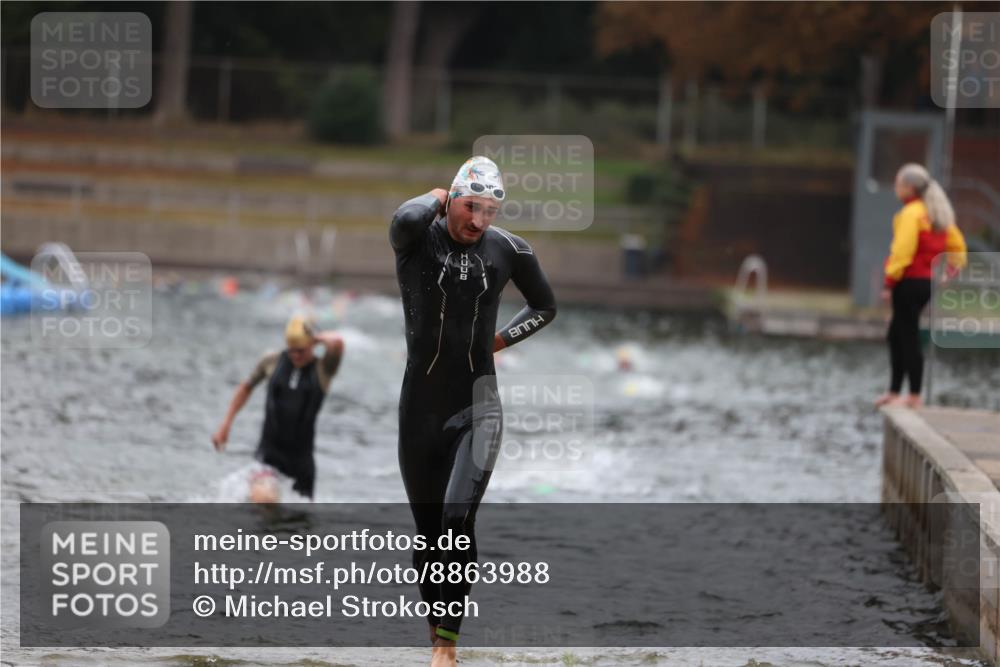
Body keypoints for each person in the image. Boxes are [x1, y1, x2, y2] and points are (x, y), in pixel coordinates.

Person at [390, 156, 557, 666]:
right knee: (427, 534)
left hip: (478, 408)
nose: (480, 221)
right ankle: (437, 628)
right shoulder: (419, 240)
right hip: (419, 410)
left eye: (490, 210)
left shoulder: (507, 249)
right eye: (471, 207)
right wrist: (436, 196)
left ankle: (447, 646)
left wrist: (499, 341)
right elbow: (405, 217)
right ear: (451, 200)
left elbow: (545, 306)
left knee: (456, 519)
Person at [212, 315, 344, 501]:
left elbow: (337, 343)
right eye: (292, 350)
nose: (296, 355)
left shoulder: (324, 370)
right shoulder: (271, 361)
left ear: (313, 345)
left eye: (301, 350)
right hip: (268, 458)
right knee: (265, 500)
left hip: (302, 466)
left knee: (295, 525)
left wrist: (315, 336)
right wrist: (225, 424)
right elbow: (246, 387)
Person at [875, 163, 966, 409]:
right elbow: (958, 245)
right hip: (925, 283)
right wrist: (951, 270)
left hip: (908, 282)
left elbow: (902, 251)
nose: (896, 188)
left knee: (907, 335)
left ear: (910, 188)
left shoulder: (911, 214)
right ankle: (895, 391)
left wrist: (889, 281)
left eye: (898, 183)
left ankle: (913, 394)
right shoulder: (937, 213)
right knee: (897, 334)